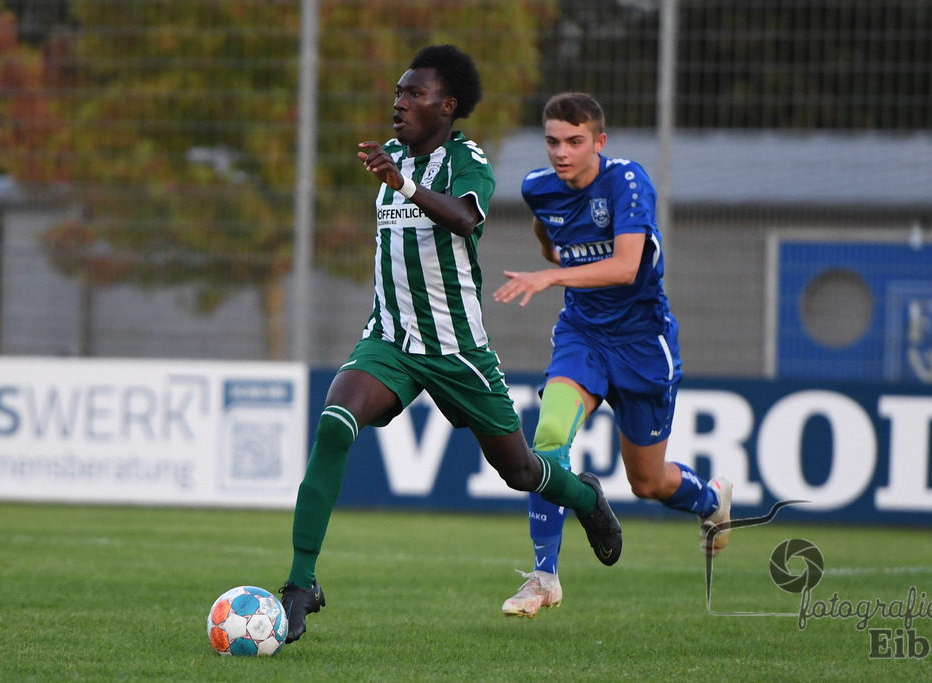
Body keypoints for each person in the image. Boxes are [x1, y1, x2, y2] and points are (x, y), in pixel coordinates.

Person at [278, 49, 622, 645]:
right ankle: (300, 584)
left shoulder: (466, 161)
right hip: (389, 339)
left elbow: (465, 219)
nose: (400, 102)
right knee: (335, 424)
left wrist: (403, 181)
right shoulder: (393, 166)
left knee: (518, 470)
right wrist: (398, 176)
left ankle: (582, 494)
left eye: (414, 94)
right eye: (397, 92)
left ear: (448, 106)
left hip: (456, 347)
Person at [493, 92, 733, 618]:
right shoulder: (538, 189)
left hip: (644, 344)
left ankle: (710, 499)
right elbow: (547, 234)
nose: (562, 152)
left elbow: (626, 266)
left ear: (598, 142)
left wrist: (552, 273)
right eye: (553, 141)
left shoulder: (626, 181)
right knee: (548, 437)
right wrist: (553, 260)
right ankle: (543, 577)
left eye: (575, 142)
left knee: (648, 482)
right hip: (582, 334)